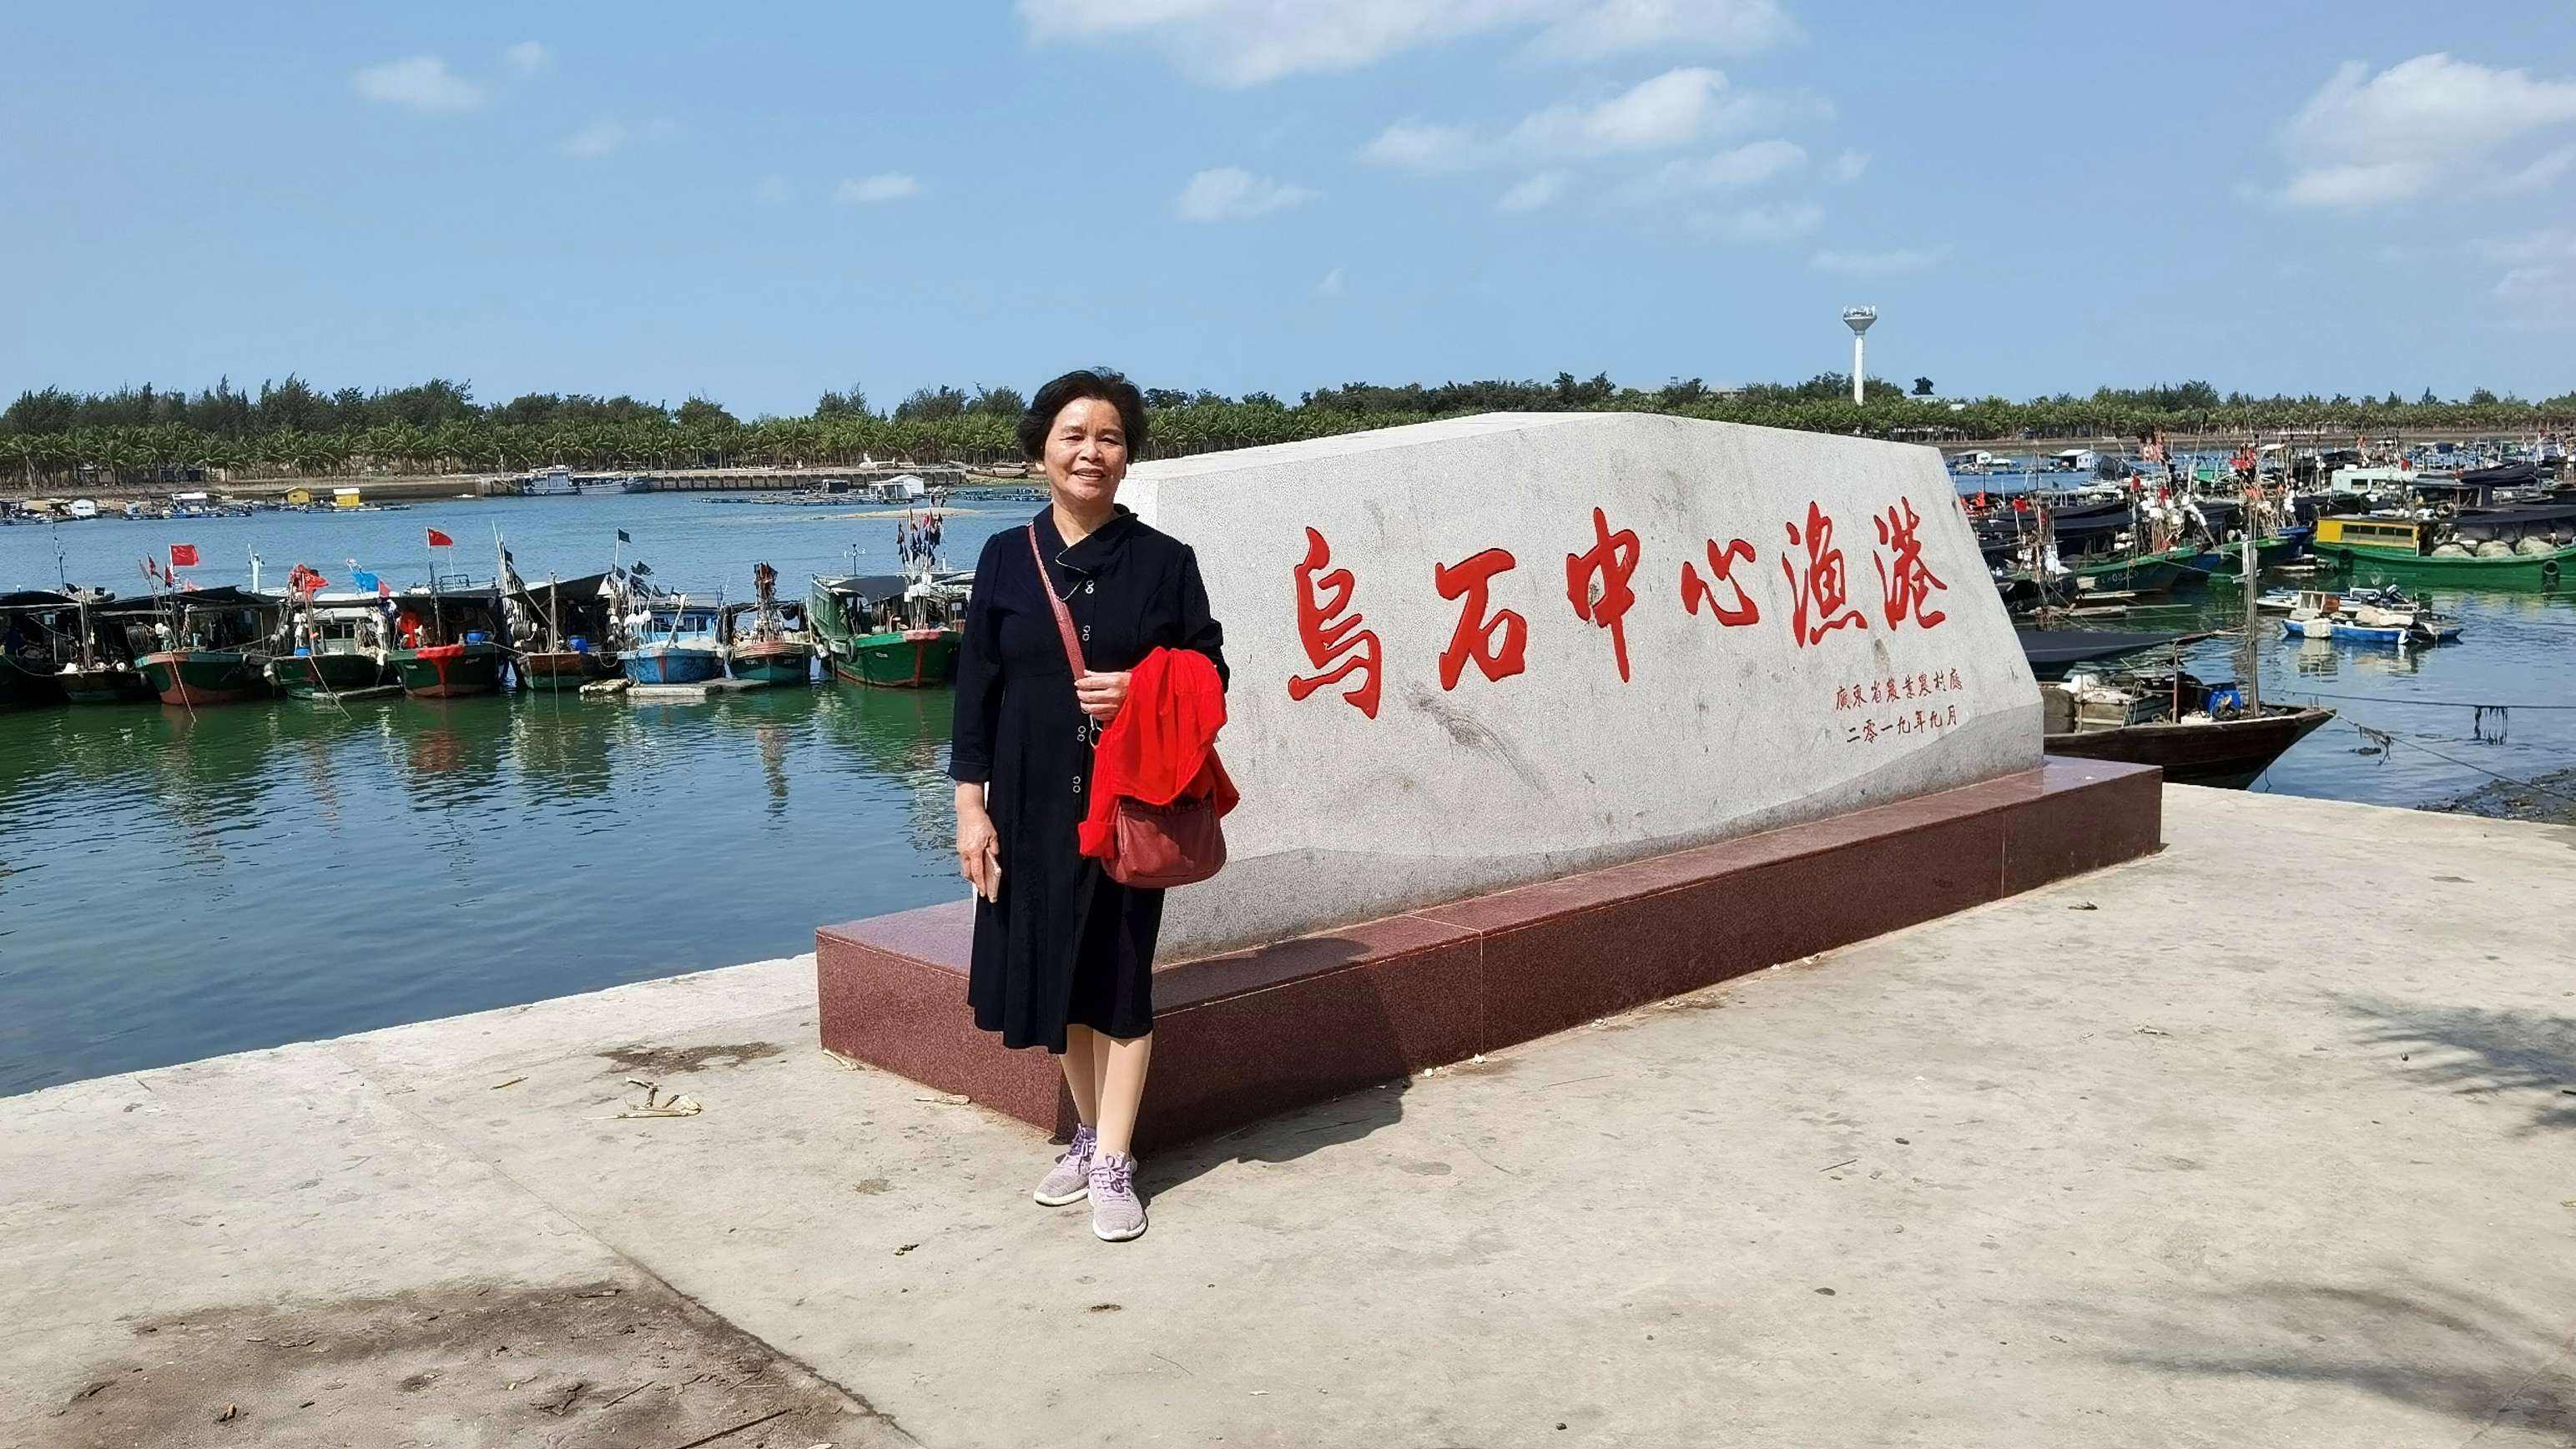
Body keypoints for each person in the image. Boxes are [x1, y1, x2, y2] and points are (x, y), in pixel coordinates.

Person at [950, 368, 1226, 1243]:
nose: (1090, 452)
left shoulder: (1166, 564)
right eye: (1074, 435)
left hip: (1128, 805)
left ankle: (1115, 1158)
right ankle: (1086, 1130)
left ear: (1128, 455)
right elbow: (975, 693)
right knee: (1057, 983)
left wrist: (1144, 685)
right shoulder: (1003, 557)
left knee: (1120, 980)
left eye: (1108, 437)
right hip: (1029, 805)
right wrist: (970, 806)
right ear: (1042, 450)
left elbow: (1212, 672)